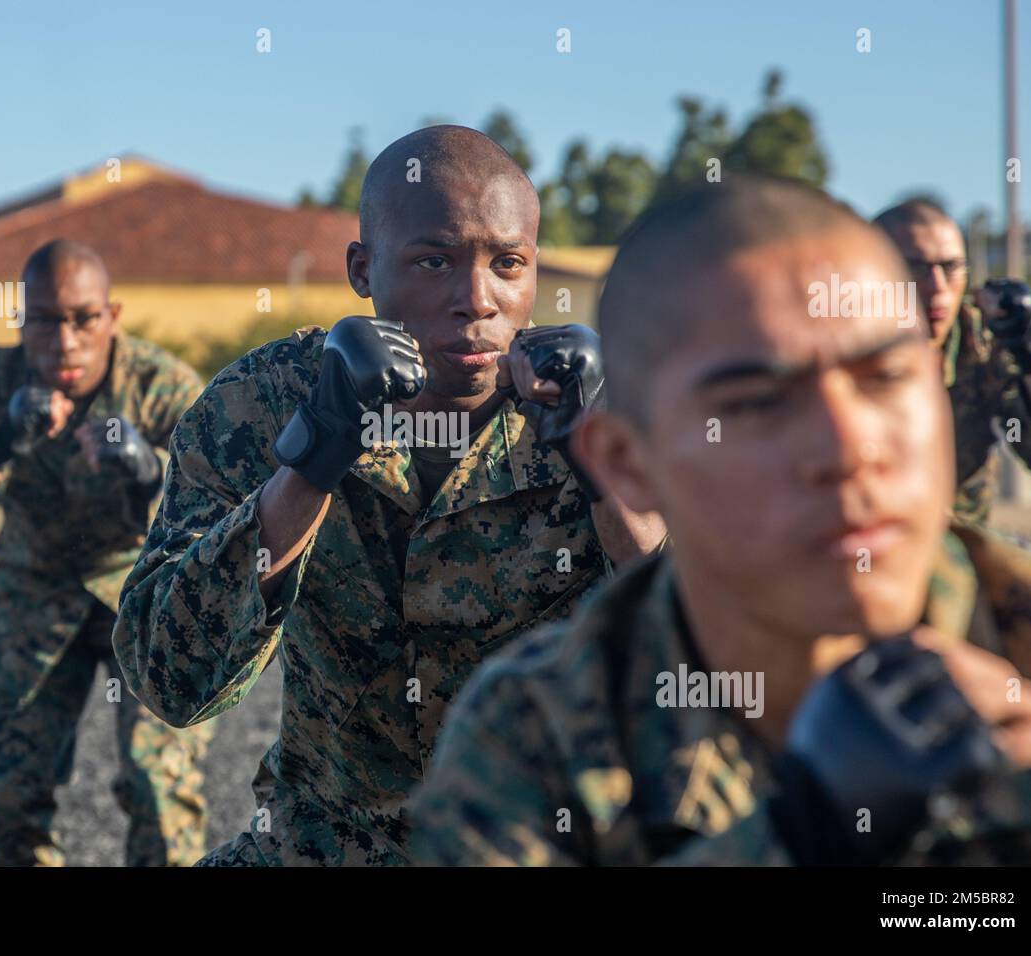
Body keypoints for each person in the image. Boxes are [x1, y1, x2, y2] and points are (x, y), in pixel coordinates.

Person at [408, 177, 1031, 866]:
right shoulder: (537, 734)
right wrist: (802, 836)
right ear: (627, 464)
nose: (849, 449)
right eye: (756, 404)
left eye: (885, 377)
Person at [112, 125, 664, 866]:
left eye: (508, 264)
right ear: (363, 269)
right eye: (435, 260)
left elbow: (713, 662)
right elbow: (168, 680)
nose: (476, 300)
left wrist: (606, 475)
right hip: (324, 844)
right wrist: (312, 459)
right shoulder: (265, 401)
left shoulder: (607, 407)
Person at [0, 239, 212, 866]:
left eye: (83, 318)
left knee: (161, 785)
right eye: (44, 319)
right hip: (34, 589)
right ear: (21, 320)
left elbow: (230, 515)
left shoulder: (162, 387)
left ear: (113, 316)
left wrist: (149, 468)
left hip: (146, 591)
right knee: (11, 791)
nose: (64, 340)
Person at [874, 199, 1031, 523]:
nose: (937, 288)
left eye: (950, 267)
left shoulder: (983, 344)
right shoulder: (836, 352)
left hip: (958, 549)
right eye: (916, 268)